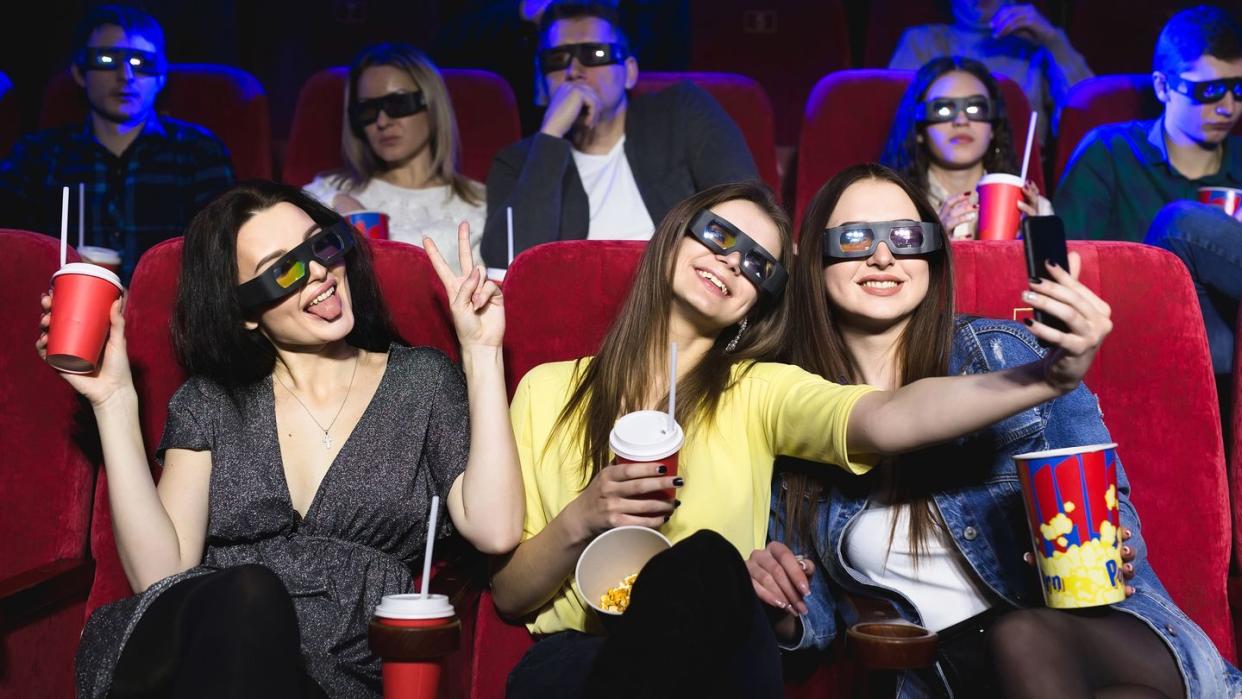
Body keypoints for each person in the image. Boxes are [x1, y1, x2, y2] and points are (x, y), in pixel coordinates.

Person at [490, 179, 1112, 697]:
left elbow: (887, 418)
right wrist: (584, 517)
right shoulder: (547, 390)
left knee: (702, 561)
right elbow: (511, 594)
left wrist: (1044, 377)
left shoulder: (761, 389)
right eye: (717, 236)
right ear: (672, 236)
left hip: (715, 662)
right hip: (580, 661)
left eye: (757, 265)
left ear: (756, 306)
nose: (732, 261)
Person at [748, 163, 1241, 698]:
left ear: (934, 259)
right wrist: (776, 595)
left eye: (907, 237)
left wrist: (1114, 545)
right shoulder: (792, 407)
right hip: (956, 678)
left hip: (1100, 637)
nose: (883, 255)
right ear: (814, 258)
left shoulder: (1008, 355)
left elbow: (1104, 502)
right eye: (854, 238)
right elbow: (815, 621)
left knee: (1021, 636)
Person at [42, 182, 523, 697]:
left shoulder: (422, 381)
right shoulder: (211, 402)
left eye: (321, 245)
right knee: (250, 594)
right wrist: (113, 401)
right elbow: (160, 577)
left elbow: (495, 530)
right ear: (247, 311)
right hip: (202, 659)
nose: (318, 272)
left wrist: (481, 351)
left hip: (343, 670)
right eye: (284, 269)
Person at [480, 1, 757, 268]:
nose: (574, 71)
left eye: (596, 54)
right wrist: (550, 135)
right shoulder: (516, 162)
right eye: (557, 59)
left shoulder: (680, 112)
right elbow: (508, 263)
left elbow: (748, 207)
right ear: (540, 82)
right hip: (573, 308)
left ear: (630, 72)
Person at [1056, 5, 1242, 377]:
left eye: (1238, 90)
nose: (1227, 108)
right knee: (1181, 220)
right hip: (1136, 335)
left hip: (1230, 346)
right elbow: (1065, 263)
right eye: (1208, 91)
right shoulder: (1109, 150)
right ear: (1162, 87)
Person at [0, 4, 234, 283]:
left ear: (161, 76)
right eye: (107, 60)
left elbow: (223, 252)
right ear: (79, 72)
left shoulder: (200, 152)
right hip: (59, 309)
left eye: (141, 63)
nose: (126, 76)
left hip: (170, 315)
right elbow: (12, 253)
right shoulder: (36, 156)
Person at [304, 42, 486, 274]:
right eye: (367, 110)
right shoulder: (329, 191)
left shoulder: (479, 202)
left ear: (430, 104)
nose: (382, 121)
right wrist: (336, 202)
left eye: (397, 104)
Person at [881, 55, 1051, 240]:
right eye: (943, 109)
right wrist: (932, 244)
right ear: (919, 130)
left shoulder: (1034, 210)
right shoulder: (893, 208)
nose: (961, 121)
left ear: (993, 128)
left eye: (976, 108)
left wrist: (1035, 243)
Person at [889, 0, 1093, 144]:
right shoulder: (921, 41)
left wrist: (1053, 41)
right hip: (938, 171)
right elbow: (899, 127)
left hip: (1020, 175)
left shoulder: (1033, 47)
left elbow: (1086, 120)